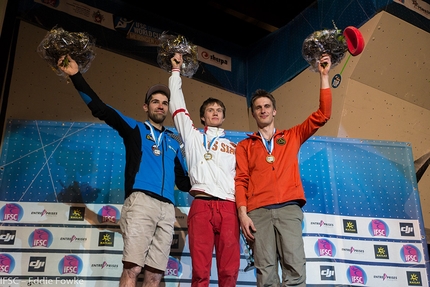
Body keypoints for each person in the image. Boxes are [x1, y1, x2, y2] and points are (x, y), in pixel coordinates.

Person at [57, 55, 191, 287]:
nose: (160, 105)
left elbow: (187, 182)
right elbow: (101, 109)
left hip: (167, 210)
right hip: (141, 202)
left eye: (164, 102)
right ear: (146, 106)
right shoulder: (135, 129)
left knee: (156, 275)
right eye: (155, 101)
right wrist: (76, 76)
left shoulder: (174, 142)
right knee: (132, 269)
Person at [235, 54, 332, 287]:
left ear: (274, 111)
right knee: (266, 273)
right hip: (258, 213)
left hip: (289, 209)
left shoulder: (292, 136)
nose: (263, 110)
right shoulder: (244, 145)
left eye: (267, 106)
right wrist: (242, 214)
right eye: (258, 107)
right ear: (253, 113)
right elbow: (241, 180)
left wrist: (324, 76)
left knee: (295, 269)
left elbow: (323, 115)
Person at [168, 53, 240, 287]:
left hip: (229, 207)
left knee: (229, 273)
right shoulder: (193, 137)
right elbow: (177, 105)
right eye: (210, 109)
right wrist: (176, 72)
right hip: (201, 205)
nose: (215, 112)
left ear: (224, 116)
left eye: (219, 109)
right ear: (203, 116)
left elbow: (243, 180)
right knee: (200, 272)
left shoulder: (235, 147)